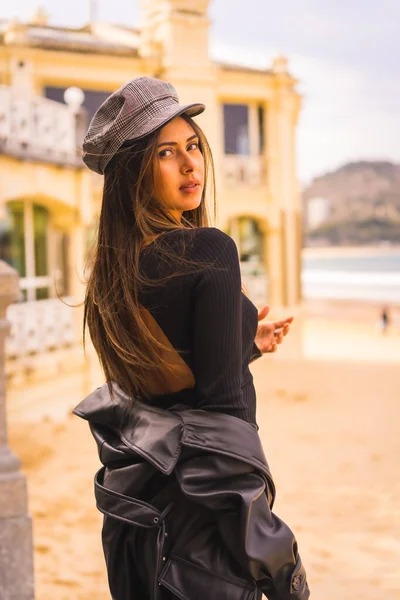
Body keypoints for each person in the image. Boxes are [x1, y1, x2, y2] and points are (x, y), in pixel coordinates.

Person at [73, 76, 310, 600]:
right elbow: (226, 434)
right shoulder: (208, 250)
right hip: (199, 535)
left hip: (135, 521)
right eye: (166, 153)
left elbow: (162, 377)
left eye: (194, 146)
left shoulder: (112, 270)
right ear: (135, 171)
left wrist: (246, 339)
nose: (190, 164)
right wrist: (281, 566)